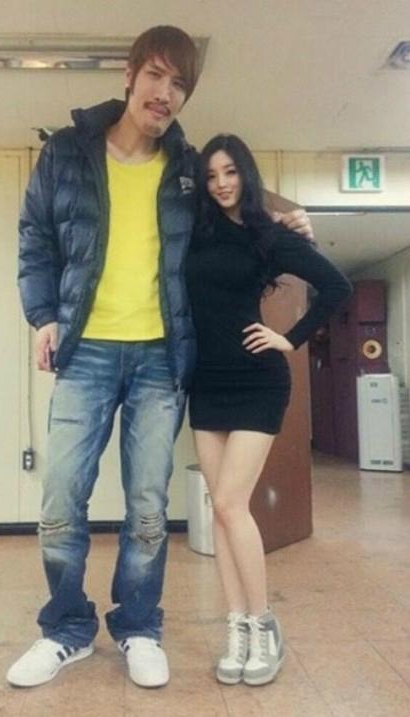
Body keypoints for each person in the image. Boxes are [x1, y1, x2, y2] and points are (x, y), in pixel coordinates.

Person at [8, 26, 313, 690]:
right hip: (85, 351)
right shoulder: (66, 152)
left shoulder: (188, 170)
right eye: (155, 75)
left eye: (180, 85)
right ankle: (65, 630)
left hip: (159, 358)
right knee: (61, 497)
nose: (165, 93)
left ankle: (140, 626)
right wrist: (43, 315)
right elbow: (35, 236)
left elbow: (237, 214)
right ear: (129, 75)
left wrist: (288, 224)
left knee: (148, 505)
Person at [186, 134, 352, 687]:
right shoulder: (196, 230)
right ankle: (236, 628)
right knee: (219, 509)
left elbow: (336, 286)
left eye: (230, 172)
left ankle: (264, 626)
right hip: (206, 382)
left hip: (257, 380)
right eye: (212, 175)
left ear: (246, 174)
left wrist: (290, 338)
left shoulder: (268, 234)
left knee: (231, 503)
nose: (221, 184)